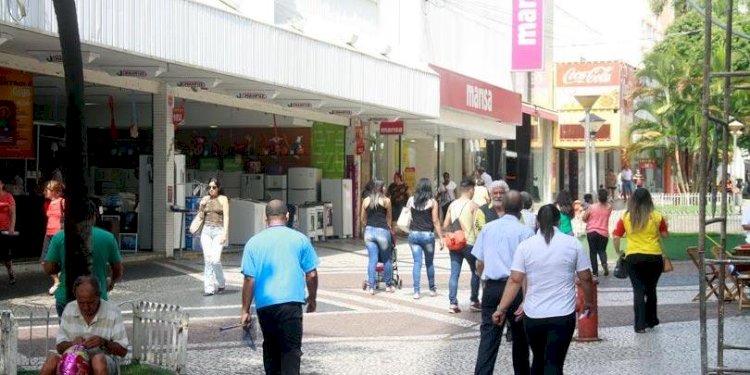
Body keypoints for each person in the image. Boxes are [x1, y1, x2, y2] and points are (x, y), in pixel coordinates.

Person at [493, 204, 594, 375]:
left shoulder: (526, 246)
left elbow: (515, 280)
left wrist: (501, 309)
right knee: (554, 362)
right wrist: (589, 302)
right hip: (563, 314)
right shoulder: (573, 244)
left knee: (539, 360)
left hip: (534, 315)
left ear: (538, 222)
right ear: (558, 221)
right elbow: (586, 278)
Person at [240, 200, 319, 375]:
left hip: (265, 306)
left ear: (265, 217)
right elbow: (311, 274)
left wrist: (245, 310)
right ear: (288, 216)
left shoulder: (253, 243)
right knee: (291, 352)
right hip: (291, 305)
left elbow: (249, 279)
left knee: (270, 350)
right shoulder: (300, 239)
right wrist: (312, 299)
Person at [472, 191, 533, 375]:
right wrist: (527, 296)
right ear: (522, 208)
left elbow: (479, 262)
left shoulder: (488, 228)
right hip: (517, 289)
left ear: (502, 207)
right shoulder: (527, 232)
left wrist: (484, 280)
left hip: (492, 286)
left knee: (488, 338)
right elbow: (529, 270)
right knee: (520, 339)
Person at [44, 200, 123, 317]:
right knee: (96, 333)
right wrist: (111, 282)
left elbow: (49, 267)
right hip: (96, 297)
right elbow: (117, 269)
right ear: (93, 216)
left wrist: (60, 268)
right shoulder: (108, 238)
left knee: (68, 333)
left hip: (66, 296)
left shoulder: (60, 236)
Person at [39, 276, 128, 375]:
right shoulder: (70, 309)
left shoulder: (113, 312)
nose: (86, 307)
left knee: (98, 360)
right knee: (51, 360)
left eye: (90, 303)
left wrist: (104, 342)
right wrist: (72, 343)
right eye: (81, 303)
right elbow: (60, 347)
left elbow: (123, 351)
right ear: (76, 297)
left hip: (104, 362)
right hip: (73, 359)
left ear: (98, 296)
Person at [612, 187, 668, 333]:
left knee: (638, 290)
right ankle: (652, 320)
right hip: (654, 257)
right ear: (649, 200)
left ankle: (639, 325)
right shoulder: (656, 216)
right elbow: (665, 235)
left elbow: (616, 236)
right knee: (651, 289)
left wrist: (619, 252)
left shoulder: (626, 217)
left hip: (633, 257)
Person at [443, 178, 480, 313]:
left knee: (454, 274)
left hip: (455, 244)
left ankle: (453, 303)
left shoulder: (452, 205)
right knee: (475, 272)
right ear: (471, 190)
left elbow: (445, 225)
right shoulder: (473, 206)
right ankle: (474, 301)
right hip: (470, 244)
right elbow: (478, 227)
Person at [406, 178, 444, 299]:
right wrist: (441, 238)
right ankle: (432, 289)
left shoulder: (411, 200)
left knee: (417, 263)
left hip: (414, 234)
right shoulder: (432, 202)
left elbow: (408, 215)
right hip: (427, 235)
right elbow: (435, 221)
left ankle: (416, 291)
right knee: (429, 263)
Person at [361, 179, 394, 294]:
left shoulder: (366, 201)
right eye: (384, 187)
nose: (385, 188)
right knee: (386, 259)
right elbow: (389, 218)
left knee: (372, 260)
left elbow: (362, 219)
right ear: (380, 188)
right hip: (383, 231)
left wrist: (368, 226)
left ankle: (371, 286)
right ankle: (388, 285)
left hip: (369, 232)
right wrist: (388, 227)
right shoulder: (386, 201)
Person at [199, 177, 229, 296]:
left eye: (214, 187)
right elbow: (201, 215)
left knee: (215, 260)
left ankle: (221, 282)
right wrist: (201, 205)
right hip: (206, 231)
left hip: (218, 231)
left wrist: (225, 234)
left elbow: (226, 217)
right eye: (209, 187)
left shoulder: (223, 199)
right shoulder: (205, 198)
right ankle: (209, 288)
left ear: (218, 188)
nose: (211, 189)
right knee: (208, 260)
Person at [42, 180, 65, 295]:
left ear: (55, 192)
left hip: (59, 234)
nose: (45, 192)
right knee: (44, 261)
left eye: (48, 190)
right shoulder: (48, 203)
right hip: (49, 233)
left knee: (59, 260)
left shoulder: (63, 202)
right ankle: (57, 281)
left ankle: (60, 283)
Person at [583, 189, 613, 277]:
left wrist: (589, 220)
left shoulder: (592, 207)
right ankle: (604, 263)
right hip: (603, 232)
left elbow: (584, 218)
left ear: (598, 197)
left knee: (593, 252)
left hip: (592, 231)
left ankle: (595, 272)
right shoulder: (609, 207)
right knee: (602, 250)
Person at [0, 176, 17, 285]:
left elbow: (13, 213)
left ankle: (10, 272)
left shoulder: (8, 196)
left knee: (6, 257)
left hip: (5, 229)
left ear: (2, 185)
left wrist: (12, 227)